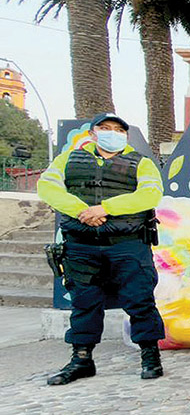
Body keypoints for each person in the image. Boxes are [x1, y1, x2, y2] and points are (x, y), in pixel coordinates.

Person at [36, 113, 165, 384]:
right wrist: (82, 211)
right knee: (84, 303)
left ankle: (150, 356)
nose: (112, 133)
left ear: (125, 136)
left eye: (118, 130)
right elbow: (47, 187)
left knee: (140, 300)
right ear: (93, 134)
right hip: (81, 245)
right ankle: (82, 359)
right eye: (105, 128)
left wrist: (105, 208)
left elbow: (150, 194)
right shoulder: (68, 159)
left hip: (127, 244)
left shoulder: (141, 163)